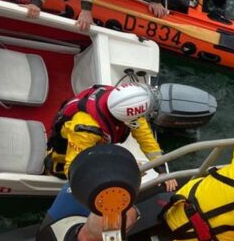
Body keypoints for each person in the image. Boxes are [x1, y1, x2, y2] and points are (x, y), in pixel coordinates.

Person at [44, 82, 177, 191]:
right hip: (64, 157)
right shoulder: (85, 128)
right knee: (61, 168)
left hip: (96, 147)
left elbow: (147, 141)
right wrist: (119, 170)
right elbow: (74, 168)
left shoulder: (125, 106)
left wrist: (162, 170)